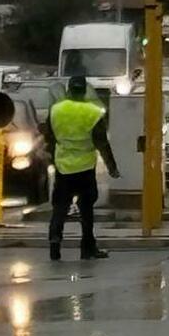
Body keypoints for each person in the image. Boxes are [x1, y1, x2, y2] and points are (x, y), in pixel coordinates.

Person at [45, 76, 119, 261]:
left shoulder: (56, 110)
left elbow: (49, 136)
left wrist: (51, 158)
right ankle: (88, 248)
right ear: (84, 91)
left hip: (63, 167)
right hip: (85, 167)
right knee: (86, 210)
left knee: (60, 208)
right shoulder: (92, 112)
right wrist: (111, 167)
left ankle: (55, 244)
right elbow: (101, 142)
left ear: (69, 90)